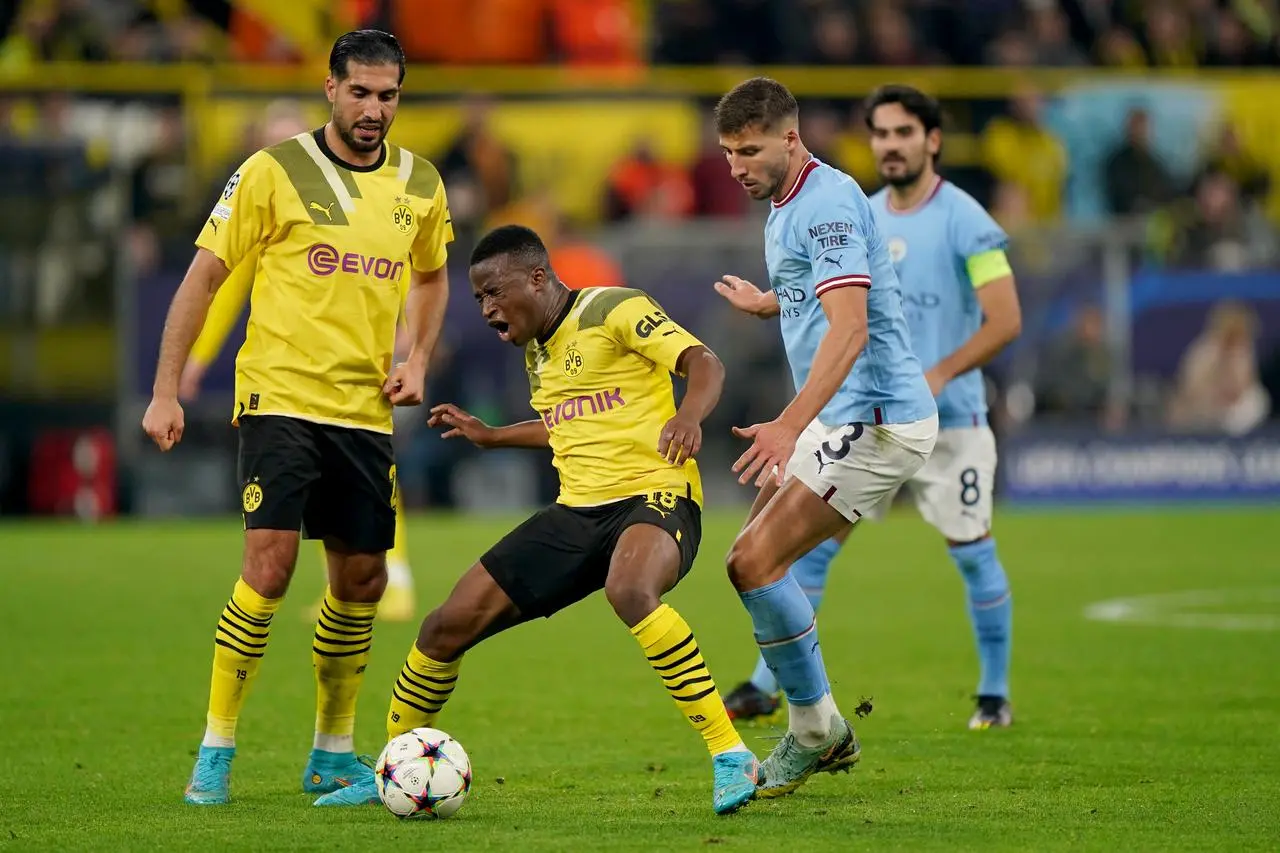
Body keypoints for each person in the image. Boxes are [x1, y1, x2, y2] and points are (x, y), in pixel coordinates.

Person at [312, 224, 760, 815]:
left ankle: (730, 754)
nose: (488, 308)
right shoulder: (539, 353)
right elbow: (566, 424)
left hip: (656, 497)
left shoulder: (612, 307)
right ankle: (394, 767)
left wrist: (688, 415)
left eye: (495, 292)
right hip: (577, 512)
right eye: (478, 299)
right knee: (444, 626)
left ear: (539, 278)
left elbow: (705, 363)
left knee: (630, 589)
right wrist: (494, 436)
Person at [141, 30, 454, 805]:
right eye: (361, 92)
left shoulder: (421, 182)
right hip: (279, 397)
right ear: (330, 88)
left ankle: (332, 751)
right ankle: (216, 748)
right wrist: (165, 387)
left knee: (363, 580)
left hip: (364, 411)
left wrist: (417, 356)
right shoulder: (272, 171)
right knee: (270, 567)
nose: (375, 108)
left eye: (388, 95)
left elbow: (433, 274)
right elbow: (204, 278)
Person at [721, 85, 1022, 731]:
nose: (889, 144)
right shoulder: (850, 204)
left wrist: (939, 371)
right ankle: (778, 691)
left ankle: (991, 694)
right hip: (851, 408)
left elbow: (1003, 320)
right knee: (782, 555)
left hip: (918, 409)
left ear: (931, 140)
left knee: (969, 549)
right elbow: (842, 290)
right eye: (879, 133)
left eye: (902, 133)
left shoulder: (962, 218)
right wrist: (774, 301)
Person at [712, 77, 938, 798]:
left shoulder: (828, 202)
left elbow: (852, 327)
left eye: (749, 150)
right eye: (726, 153)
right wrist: (771, 302)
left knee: (754, 561)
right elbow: (824, 286)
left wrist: (787, 422)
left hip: (875, 418)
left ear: (790, 136)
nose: (737, 166)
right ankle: (817, 723)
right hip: (842, 417)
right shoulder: (786, 203)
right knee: (750, 561)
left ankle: (817, 731)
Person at [179, 265, 419, 623]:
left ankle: (394, 581)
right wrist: (199, 355)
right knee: (328, 478)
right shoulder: (260, 212)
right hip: (291, 375)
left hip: (355, 359)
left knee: (370, 472)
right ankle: (340, 585)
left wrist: (410, 333)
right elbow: (228, 281)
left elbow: (393, 252)